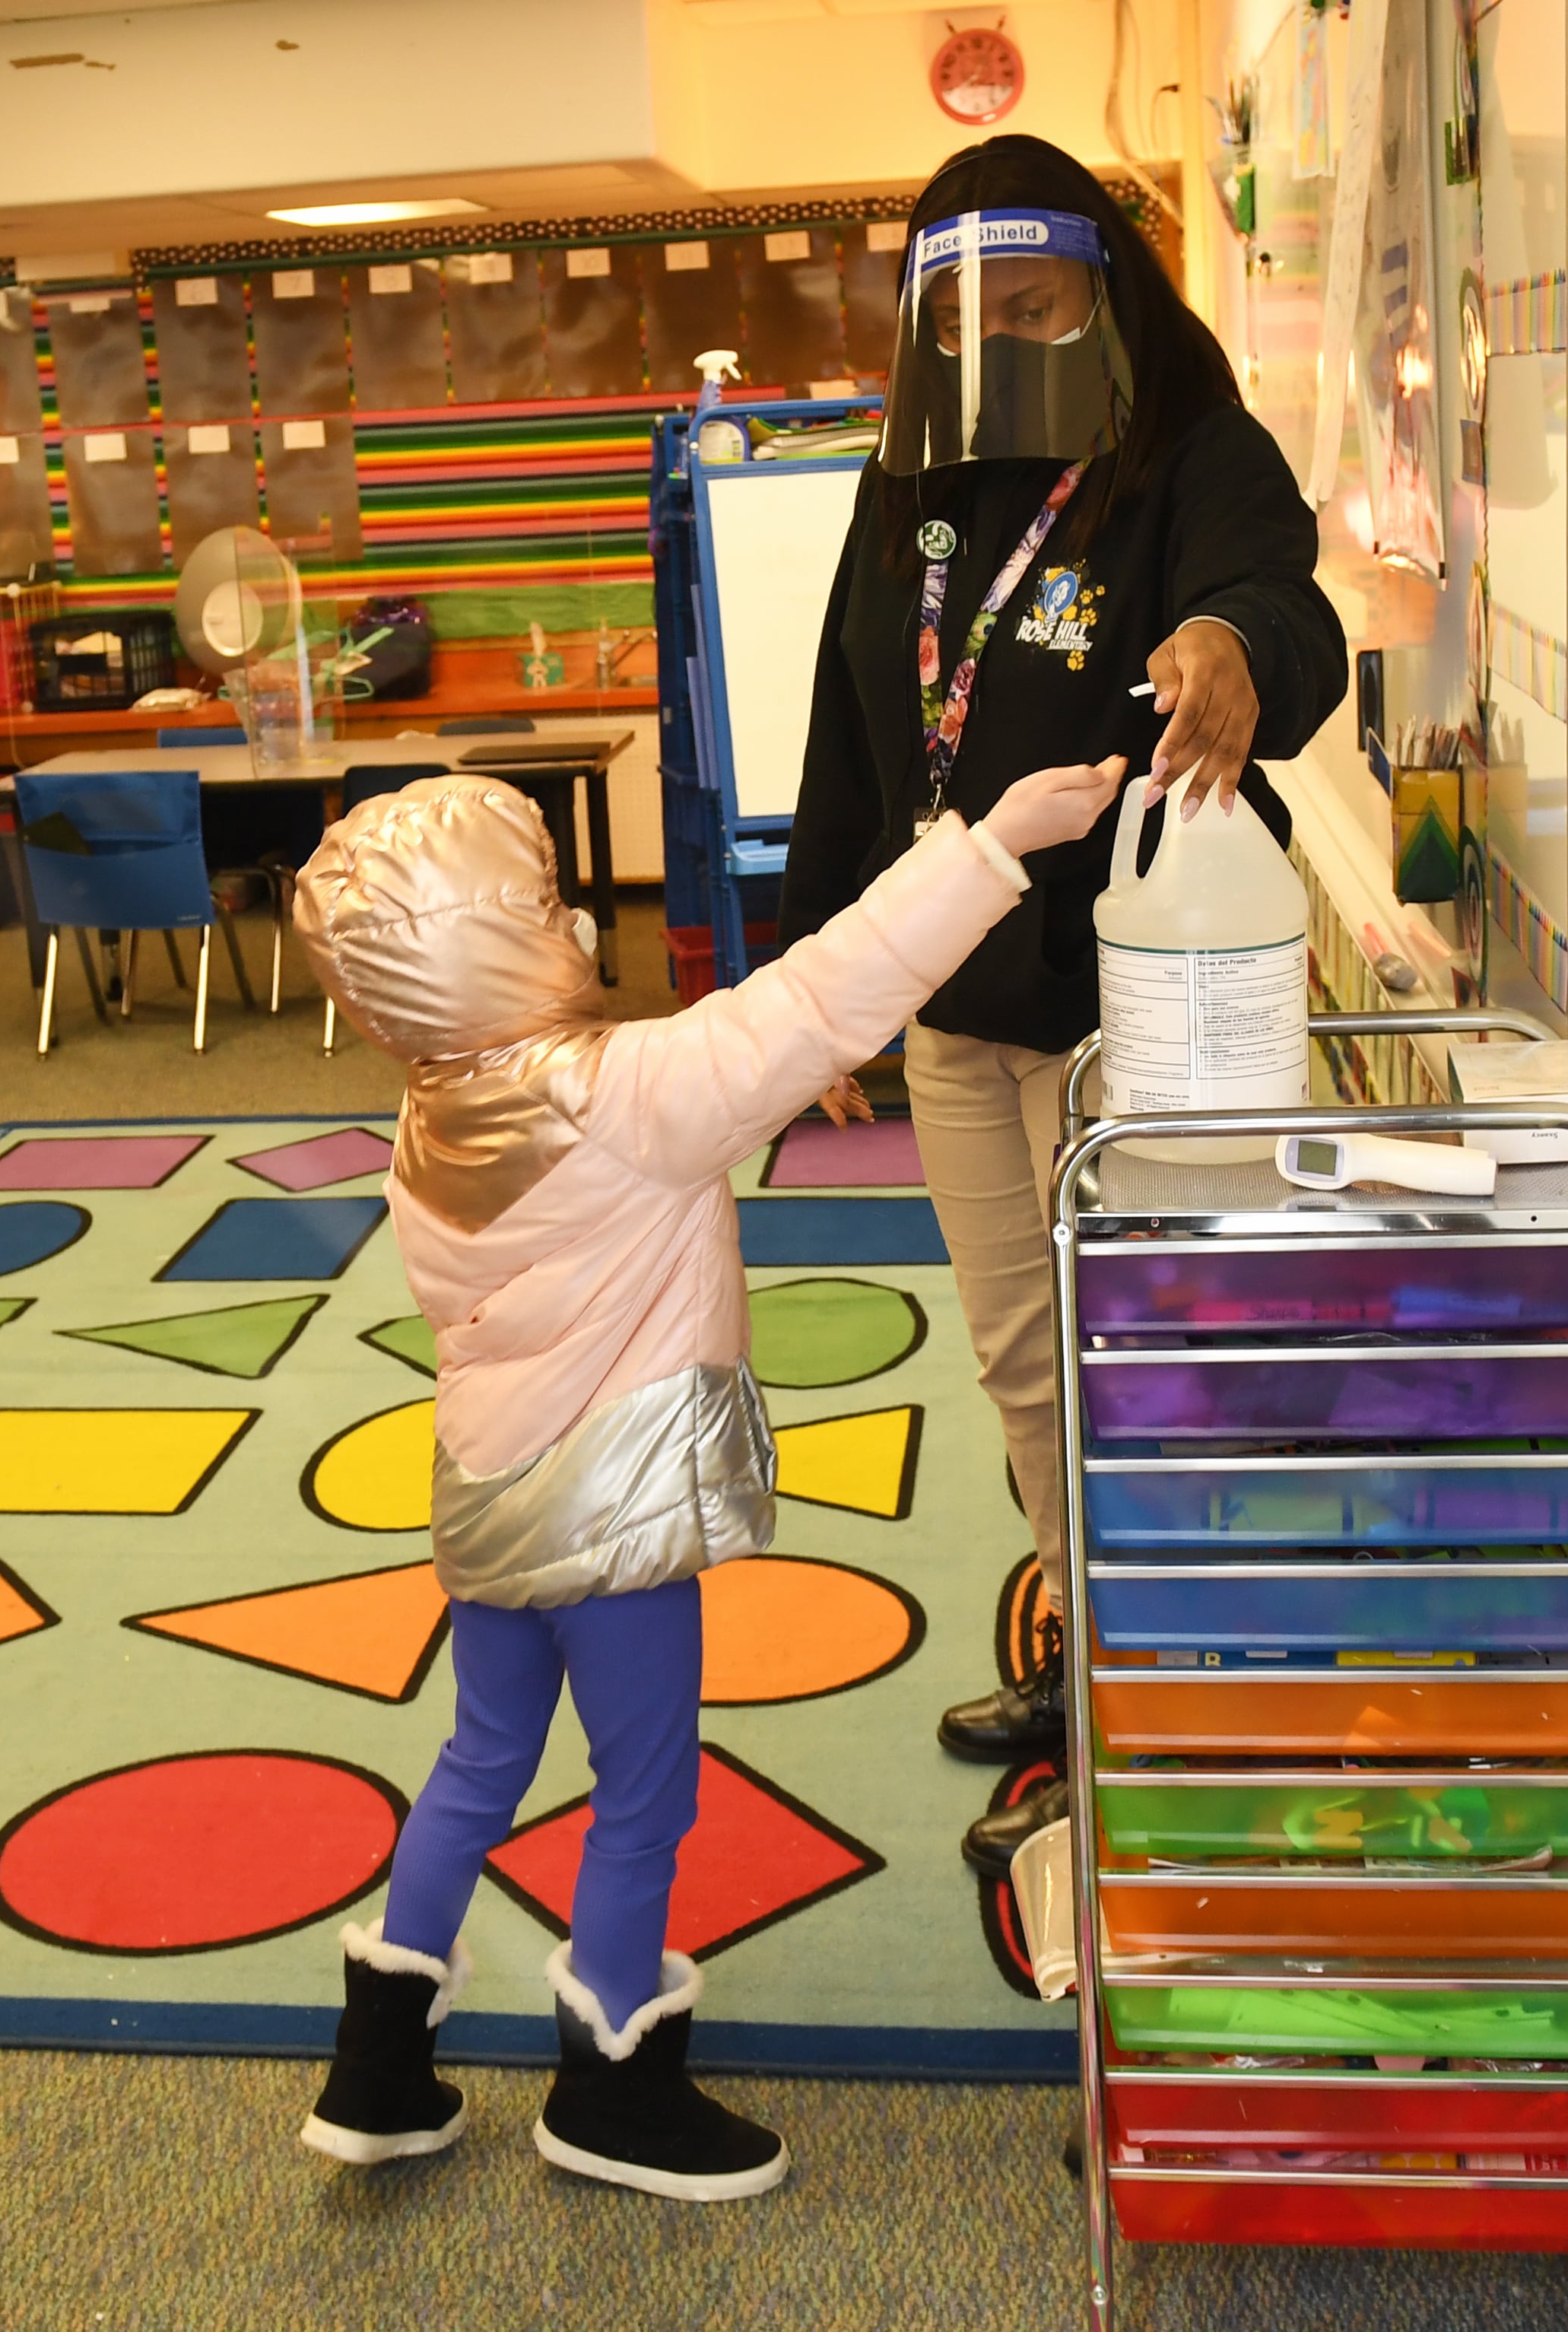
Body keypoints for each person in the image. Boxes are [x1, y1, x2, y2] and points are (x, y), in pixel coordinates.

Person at [284, 754, 1124, 2201]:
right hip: (612, 1527)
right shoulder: (624, 1095)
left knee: (480, 1762)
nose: (574, 930)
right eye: (543, 908)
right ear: (485, 947)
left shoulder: (429, 1113)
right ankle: (613, 2086)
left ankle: (376, 2070)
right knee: (644, 1794)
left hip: (484, 1501)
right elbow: (817, 996)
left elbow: (764, 1044)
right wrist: (989, 847)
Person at [773, 135, 1347, 1879]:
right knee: (1025, 1362)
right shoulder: (914, 482)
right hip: (957, 995)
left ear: (1101, 290)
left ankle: (1202, 1681)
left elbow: (1275, 593)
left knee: (1158, 1361)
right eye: (960, 318)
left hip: (1128, 1007)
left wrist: (1236, 649)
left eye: (1031, 307)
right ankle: (1098, 1664)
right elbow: (854, 730)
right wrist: (825, 981)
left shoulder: (1182, 447)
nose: (996, 345)